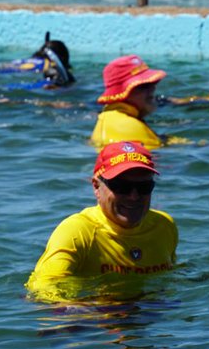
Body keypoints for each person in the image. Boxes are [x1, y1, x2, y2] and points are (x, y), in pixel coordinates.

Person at [27, 141, 178, 304]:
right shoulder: (78, 231)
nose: (134, 197)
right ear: (96, 187)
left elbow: (171, 275)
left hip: (152, 314)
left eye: (144, 187)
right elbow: (43, 288)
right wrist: (77, 310)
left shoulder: (164, 226)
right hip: (95, 320)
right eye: (122, 187)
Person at [90, 55, 168, 149]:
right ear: (122, 93)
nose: (152, 89)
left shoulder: (116, 118)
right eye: (143, 86)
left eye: (153, 83)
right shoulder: (124, 128)